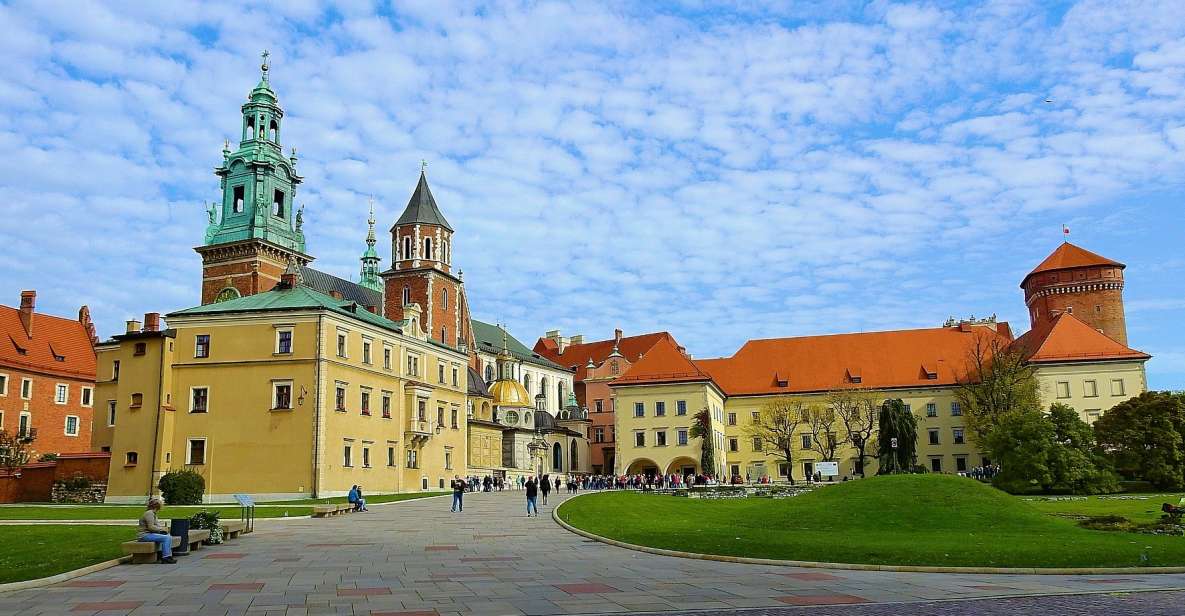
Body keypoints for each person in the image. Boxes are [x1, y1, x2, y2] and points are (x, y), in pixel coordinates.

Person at [137, 497, 176, 564]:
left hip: (150, 534)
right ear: (157, 506)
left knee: (168, 536)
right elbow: (151, 527)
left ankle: (168, 556)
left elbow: (157, 526)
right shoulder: (149, 513)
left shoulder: (153, 514)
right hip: (144, 535)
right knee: (166, 538)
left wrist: (163, 529)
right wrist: (162, 529)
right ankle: (166, 557)